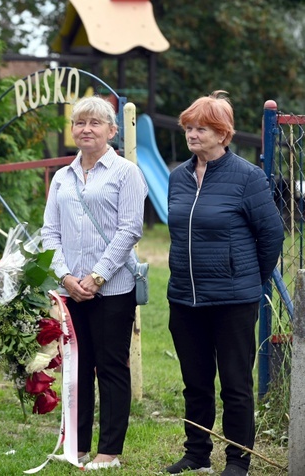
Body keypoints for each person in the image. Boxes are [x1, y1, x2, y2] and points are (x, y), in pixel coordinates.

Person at [162, 91, 284, 476]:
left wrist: (248, 278)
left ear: (223, 134)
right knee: (195, 383)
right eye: (189, 128)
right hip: (184, 298)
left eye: (201, 128)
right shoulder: (177, 177)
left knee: (235, 385)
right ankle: (196, 454)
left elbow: (272, 236)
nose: (192, 135)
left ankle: (237, 460)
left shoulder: (247, 177)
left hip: (233, 301)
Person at [42, 95, 147, 471]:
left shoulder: (125, 173)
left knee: (111, 366)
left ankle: (109, 451)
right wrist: (67, 277)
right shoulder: (61, 177)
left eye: (95, 123)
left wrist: (97, 275)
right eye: (79, 123)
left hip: (113, 288)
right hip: (72, 291)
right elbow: (50, 232)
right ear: (72, 130)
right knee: (77, 368)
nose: (86, 129)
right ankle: (78, 447)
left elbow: (130, 228)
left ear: (112, 130)